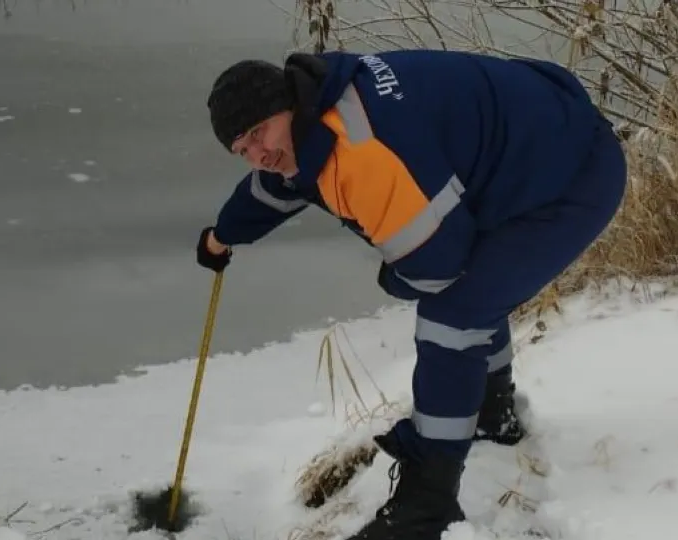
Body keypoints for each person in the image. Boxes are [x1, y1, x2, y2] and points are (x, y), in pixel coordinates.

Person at [195, 48, 626, 540]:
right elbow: (278, 187)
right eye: (241, 149)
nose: (258, 154)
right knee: (475, 285)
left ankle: (428, 505)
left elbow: (433, 269)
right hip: (535, 142)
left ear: (284, 104)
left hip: (570, 176)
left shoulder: (361, 150)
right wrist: (221, 235)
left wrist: (392, 279)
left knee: (454, 312)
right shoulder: (318, 111)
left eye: (258, 133)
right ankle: (493, 412)